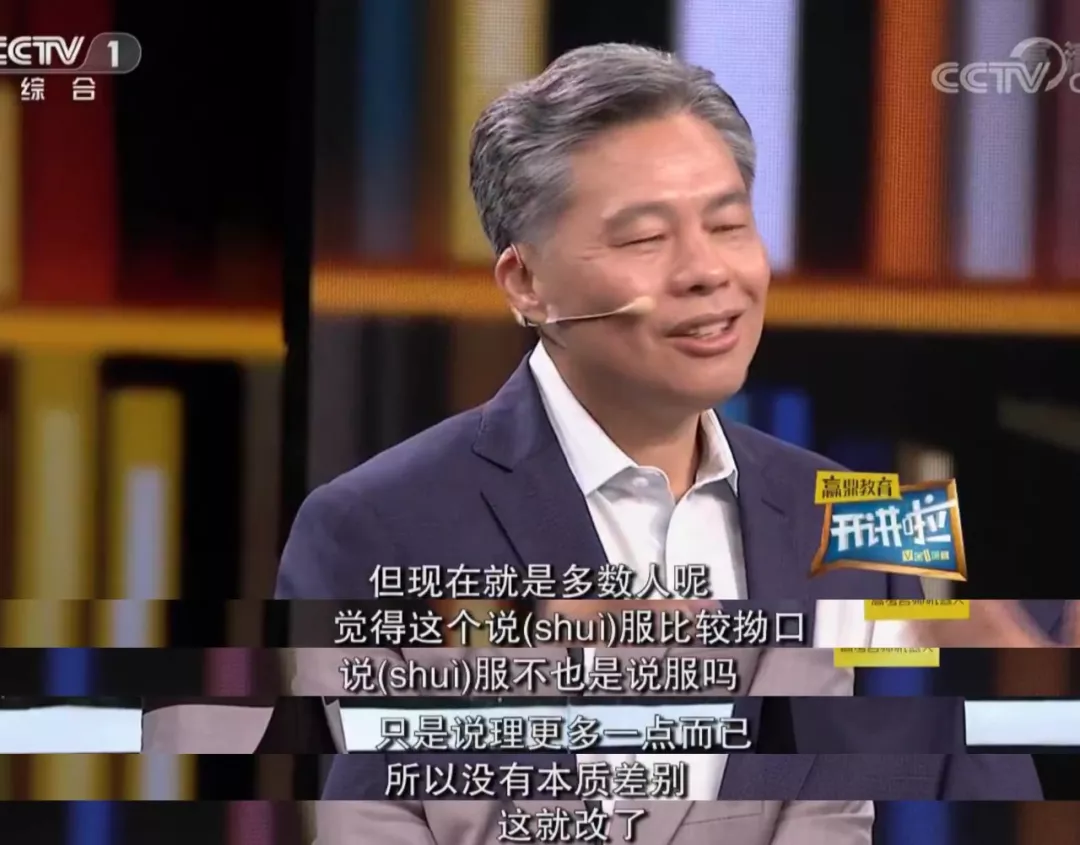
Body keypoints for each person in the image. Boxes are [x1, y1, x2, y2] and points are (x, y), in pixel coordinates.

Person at [277, 43, 1055, 844]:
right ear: (526, 283)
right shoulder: (373, 528)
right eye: (645, 238)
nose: (706, 272)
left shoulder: (866, 518)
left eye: (728, 224)